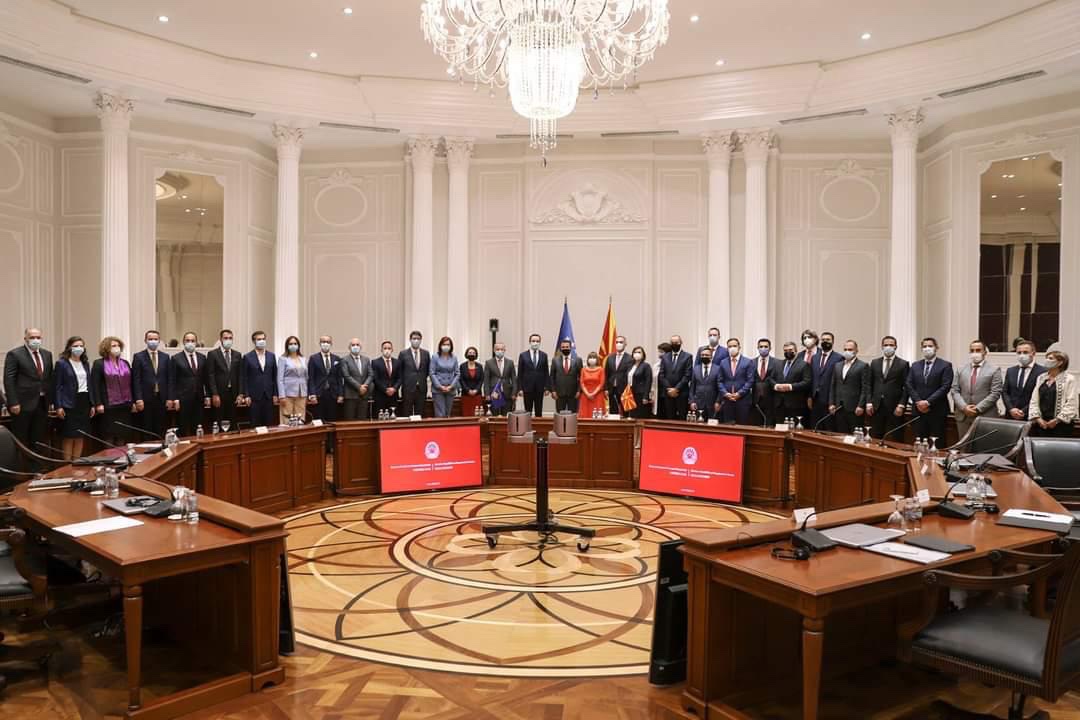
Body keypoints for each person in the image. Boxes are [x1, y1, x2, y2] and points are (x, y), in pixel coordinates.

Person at [3, 327, 54, 452]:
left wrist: (51, 400)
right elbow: (9, 380)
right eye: (32, 337)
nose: (35, 340)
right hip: (22, 404)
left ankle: (36, 464)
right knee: (21, 440)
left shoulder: (47, 354)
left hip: (42, 403)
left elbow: (49, 378)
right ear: (25, 339)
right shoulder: (15, 354)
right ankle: (19, 464)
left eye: (38, 337)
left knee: (38, 440)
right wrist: (13, 402)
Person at [906, 337, 954, 447]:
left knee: (937, 444)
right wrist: (918, 401)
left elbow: (945, 387)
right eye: (924, 346)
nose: (927, 348)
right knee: (920, 443)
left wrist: (927, 402)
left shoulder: (945, 365)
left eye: (930, 346)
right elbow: (909, 384)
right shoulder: (915, 365)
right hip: (918, 411)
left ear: (936, 348)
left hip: (937, 410)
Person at [950, 339, 1003, 437]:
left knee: (984, 445)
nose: (975, 353)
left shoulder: (994, 369)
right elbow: (954, 390)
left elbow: (995, 393)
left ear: (985, 352)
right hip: (963, 416)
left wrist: (978, 408)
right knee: (964, 445)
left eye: (978, 350)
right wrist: (964, 407)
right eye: (972, 350)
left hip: (985, 415)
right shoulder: (961, 369)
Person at [53, 336, 94, 459]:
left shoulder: (85, 363)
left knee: (80, 435)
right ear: (69, 348)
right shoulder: (62, 363)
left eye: (81, 346)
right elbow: (57, 386)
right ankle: (67, 464)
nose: (79, 348)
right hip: (69, 402)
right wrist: (58, 406)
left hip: (84, 400)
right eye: (76, 346)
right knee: (69, 436)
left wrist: (92, 403)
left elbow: (89, 384)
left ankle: (77, 462)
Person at [90, 336, 135, 445]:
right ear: (106, 348)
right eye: (114, 346)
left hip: (125, 405)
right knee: (109, 435)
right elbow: (95, 385)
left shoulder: (125, 363)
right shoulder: (99, 363)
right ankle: (109, 455)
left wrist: (133, 401)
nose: (117, 348)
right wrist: (98, 403)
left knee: (122, 434)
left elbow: (131, 383)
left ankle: (121, 455)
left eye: (118, 345)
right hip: (108, 405)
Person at [867, 336, 910, 440]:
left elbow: (907, 387)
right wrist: (869, 402)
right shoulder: (875, 362)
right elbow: (869, 384)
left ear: (895, 347)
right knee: (876, 436)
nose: (888, 347)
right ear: (882, 347)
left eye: (891, 345)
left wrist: (901, 405)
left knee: (896, 436)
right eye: (886, 345)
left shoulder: (903, 364)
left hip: (895, 406)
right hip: (877, 406)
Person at [1029, 350, 1078, 437]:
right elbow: (1034, 399)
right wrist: (1038, 418)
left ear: (1060, 362)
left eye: (1050, 358)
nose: (1047, 360)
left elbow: (1072, 402)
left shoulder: (1069, 379)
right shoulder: (1041, 377)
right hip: (1041, 424)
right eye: (1047, 358)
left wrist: (1057, 420)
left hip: (1061, 425)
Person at [131, 330, 170, 438]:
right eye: (150, 339)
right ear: (145, 340)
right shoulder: (138, 357)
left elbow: (169, 378)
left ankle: (160, 447)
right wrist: (138, 398)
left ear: (159, 341)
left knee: (161, 428)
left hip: (161, 398)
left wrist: (170, 398)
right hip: (145, 399)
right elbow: (136, 379)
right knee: (146, 428)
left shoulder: (165, 357)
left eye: (155, 339)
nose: (153, 341)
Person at [168, 332, 208, 437]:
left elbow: (206, 379)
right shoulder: (176, 358)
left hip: (199, 398)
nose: (190, 343)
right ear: (183, 342)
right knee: (183, 428)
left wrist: (207, 395)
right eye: (188, 340)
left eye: (193, 341)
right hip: (182, 399)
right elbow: (172, 380)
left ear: (196, 342)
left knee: (198, 427)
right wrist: (174, 398)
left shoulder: (202, 358)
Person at [206, 329, 245, 429]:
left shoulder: (237, 355)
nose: (228, 340)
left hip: (233, 394)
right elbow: (210, 375)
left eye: (230, 338)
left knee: (233, 422)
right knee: (219, 422)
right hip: (219, 394)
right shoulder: (213, 354)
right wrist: (214, 394)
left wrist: (241, 393)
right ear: (221, 339)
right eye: (226, 338)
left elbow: (240, 375)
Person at [829, 340, 870, 433]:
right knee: (841, 434)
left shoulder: (863, 366)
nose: (847, 351)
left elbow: (865, 388)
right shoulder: (837, 365)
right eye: (845, 349)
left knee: (855, 435)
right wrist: (831, 403)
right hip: (839, 407)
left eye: (850, 349)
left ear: (856, 351)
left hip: (855, 408)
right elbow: (833, 386)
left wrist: (861, 405)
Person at [770, 341, 812, 426]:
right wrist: (776, 386)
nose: (788, 352)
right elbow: (770, 379)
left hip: (795, 404)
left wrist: (790, 386)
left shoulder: (804, 365)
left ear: (796, 351)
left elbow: (807, 382)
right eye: (785, 351)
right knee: (779, 429)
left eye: (790, 350)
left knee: (793, 429)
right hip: (779, 405)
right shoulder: (778, 364)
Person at [242, 331, 278, 428]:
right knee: (255, 425)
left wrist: (275, 394)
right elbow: (244, 377)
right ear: (254, 341)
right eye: (259, 339)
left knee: (269, 425)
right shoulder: (247, 357)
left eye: (263, 339)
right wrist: (246, 395)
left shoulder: (271, 356)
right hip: (254, 397)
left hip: (268, 395)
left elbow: (275, 376)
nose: (262, 341)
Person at [1002, 340, 1045, 422]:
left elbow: (1042, 396)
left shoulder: (1042, 372)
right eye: (1019, 352)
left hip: (1031, 416)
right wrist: (1011, 409)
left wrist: (1023, 411)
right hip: (1011, 416)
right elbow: (1005, 392)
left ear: (1033, 353)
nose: (1022, 355)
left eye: (1025, 352)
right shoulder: (1011, 370)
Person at [715, 337, 755, 424]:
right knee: (728, 426)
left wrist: (739, 394)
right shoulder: (723, 362)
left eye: (734, 346)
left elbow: (750, 381)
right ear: (727, 349)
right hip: (727, 400)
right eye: (730, 346)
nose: (732, 348)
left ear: (739, 347)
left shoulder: (748, 362)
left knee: (742, 425)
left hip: (743, 400)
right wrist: (725, 393)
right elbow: (720, 381)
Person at [809, 331, 843, 431]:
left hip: (829, 400)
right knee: (815, 427)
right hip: (815, 399)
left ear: (833, 342)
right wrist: (809, 396)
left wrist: (834, 402)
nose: (825, 341)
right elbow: (812, 378)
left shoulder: (839, 358)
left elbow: (838, 381)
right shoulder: (814, 357)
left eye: (828, 340)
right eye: (823, 340)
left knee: (828, 428)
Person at [308, 335, 343, 423]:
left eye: (328, 342)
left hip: (333, 394)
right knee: (319, 421)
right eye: (323, 342)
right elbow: (311, 378)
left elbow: (339, 378)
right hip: (319, 394)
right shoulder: (313, 358)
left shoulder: (337, 359)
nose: (325, 344)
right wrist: (312, 394)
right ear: (320, 344)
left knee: (332, 421)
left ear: (331, 344)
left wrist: (340, 394)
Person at [659, 335, 692, 420]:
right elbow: (661, 375)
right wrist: (669, 389)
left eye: (676, 342)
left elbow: (687, 375)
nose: (674, 344)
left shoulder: (688, 356)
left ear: (681, 343)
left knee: (682, 418)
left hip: (682, 392)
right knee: (670, 418)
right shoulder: (665, 357)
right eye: (672, 343)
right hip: (668, 393)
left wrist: (676, 389)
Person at [399, 330, 430, 417]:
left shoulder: (426, 353)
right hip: (408, 388)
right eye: (414, 338)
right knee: (406, 412)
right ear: (410, 340)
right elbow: (400, 371)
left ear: (421, 340)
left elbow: (427, 370)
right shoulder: (403, 353)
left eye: (418, 338)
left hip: (421, 388)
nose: (416, 340)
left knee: (420, 413)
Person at [277, 335, 308, 424]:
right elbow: (280, 379)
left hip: (301, 393)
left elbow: (306, 377)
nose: (293, 345)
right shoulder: (283, 359)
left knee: (300, 419)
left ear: (298, 345)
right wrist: (282, 396)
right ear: (287, 346)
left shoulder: (303, 359)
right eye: (290, 344)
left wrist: (307, 393)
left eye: (295, 343)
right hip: (287, 393)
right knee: (287, 419)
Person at [517, 333, 550, 417]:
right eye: (533, 341)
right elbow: (520, 373)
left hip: (540, 388)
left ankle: (539, 425)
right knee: (527, 412)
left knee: (539, 411)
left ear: (540, 342)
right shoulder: (523, 355)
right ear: (530, 342)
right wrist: (520, 388)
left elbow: (546, 372)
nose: (535, 343)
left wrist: (547, 387)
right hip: (527, 388)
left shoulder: (544, 355)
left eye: (537, 341)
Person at [341, 338, 373, 421]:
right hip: (351, 395)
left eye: (357, 345)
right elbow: (346, 376)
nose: (355, 346)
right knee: (350, 421)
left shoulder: (366, 359)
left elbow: (370, 374)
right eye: (353, 345)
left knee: (362, 420)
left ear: (361, 347)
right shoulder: (344, 359)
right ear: (349, 347)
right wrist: (359, 387)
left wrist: (364, 386)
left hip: (364, 395)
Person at [751, 338, 780, 426]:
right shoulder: (751, 362)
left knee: (770, 425)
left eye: (766, 346)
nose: (763, 348)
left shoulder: (777, 362)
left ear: (770, 348)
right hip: (756, 400)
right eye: (761, 346)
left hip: (771, 399)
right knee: (756, 425)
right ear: (757, 348)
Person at [549, 338, 582, 414]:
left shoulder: (578, 360)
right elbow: (552, 377)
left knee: (573, 415)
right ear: (560, 348)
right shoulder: (555, 360)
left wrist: (579, 390)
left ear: (571, 347)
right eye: (563, 347)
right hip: (559, 393)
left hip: (573, 393)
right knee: (559, 415)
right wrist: (553, 390)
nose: (565, 348)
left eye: (567, 347)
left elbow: (581, 377)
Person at [484, 343, 516, 417]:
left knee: (507, 416)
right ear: (494, 350)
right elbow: (486, 380)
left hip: (507, 393)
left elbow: (514, 379)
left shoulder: (510, 362)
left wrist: (514, 393)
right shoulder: (488, 362)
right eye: (498, 349)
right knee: (494, 416)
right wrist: (487, 394)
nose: (500, 351)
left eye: (502, 349)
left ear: (505, 350)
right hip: (494, 393)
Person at [689, 345, 720, 421]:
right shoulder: (695, 369)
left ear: (711, 356)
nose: (704, 356)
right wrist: (692, 401)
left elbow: (720, 388)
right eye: (702, 355)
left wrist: (718, 401)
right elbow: (692, 387)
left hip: (713, 404)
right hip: (698, 404)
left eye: (706, 355)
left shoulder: (718, 369)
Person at [796, 329, 820, 428]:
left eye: (809, 337)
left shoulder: (821, 354)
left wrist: (811, 395)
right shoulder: (799, 355)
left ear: (815, 339)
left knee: (815, 424)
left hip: (817, 395)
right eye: (804, 338)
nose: (807, 339)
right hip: (801, 395)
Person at [604, 336, 633, 415]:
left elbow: (630, 375)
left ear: (625, 344)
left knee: (625, 411)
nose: (618, 344)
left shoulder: (630, 358)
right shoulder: (610, 357)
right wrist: (605, 388)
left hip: (624, 389)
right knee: (613, 411)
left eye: (621, 342)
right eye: (617, 342)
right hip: (611, 389)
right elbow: (606, 374)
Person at [372, 341, 402, 417]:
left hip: (393, 396)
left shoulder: (397, 362)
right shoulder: (375, 362)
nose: (387, 350)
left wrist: (394, 388)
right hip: (380, 395)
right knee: (380, 418)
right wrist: (386, 390)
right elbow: (375, 379)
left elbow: (400, 378)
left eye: (389, 348)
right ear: (381, 350)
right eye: (385, 348)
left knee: (393, 417)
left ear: (392, 350)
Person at [626, 346, 653, 419]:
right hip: (631, 393)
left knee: (640, 414)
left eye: (639, 352)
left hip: (641, 394)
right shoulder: (630, 366)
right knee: (632, 414)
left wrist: (646, 396)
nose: (637, 354)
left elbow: (648, 381)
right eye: (635, 352)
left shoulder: (646, 366)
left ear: (643, 354)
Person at [578, 351, 606, 418]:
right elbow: (582, 383)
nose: (592, 359)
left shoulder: (601, 370)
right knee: (585, 415)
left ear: (597, 360)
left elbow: (601, 383)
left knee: (597, 416)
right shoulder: (583, 370)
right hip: (585, 396)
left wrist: (593, 393)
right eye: (590, 357)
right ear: (588, 359)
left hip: (598, 396)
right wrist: (587, 394)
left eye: (594, 358)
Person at [459, 346, 485, 417]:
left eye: (473, 353)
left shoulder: (479, 366)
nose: (472, 354)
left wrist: (476, 390)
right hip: (466, 394)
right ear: (466, 354)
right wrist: (468, 390)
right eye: (470, 353)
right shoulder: (462, 366)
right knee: (466, 415)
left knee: (477, 415)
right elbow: (461, 380)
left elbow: (481, 379)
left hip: (477, 395)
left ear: (476, 355)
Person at [653, 341, 672, 418]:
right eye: (659, 351)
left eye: (662, 352)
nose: (659, 354)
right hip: (658, 394)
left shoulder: (672, 365)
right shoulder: (656, 366)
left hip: (668, 394)